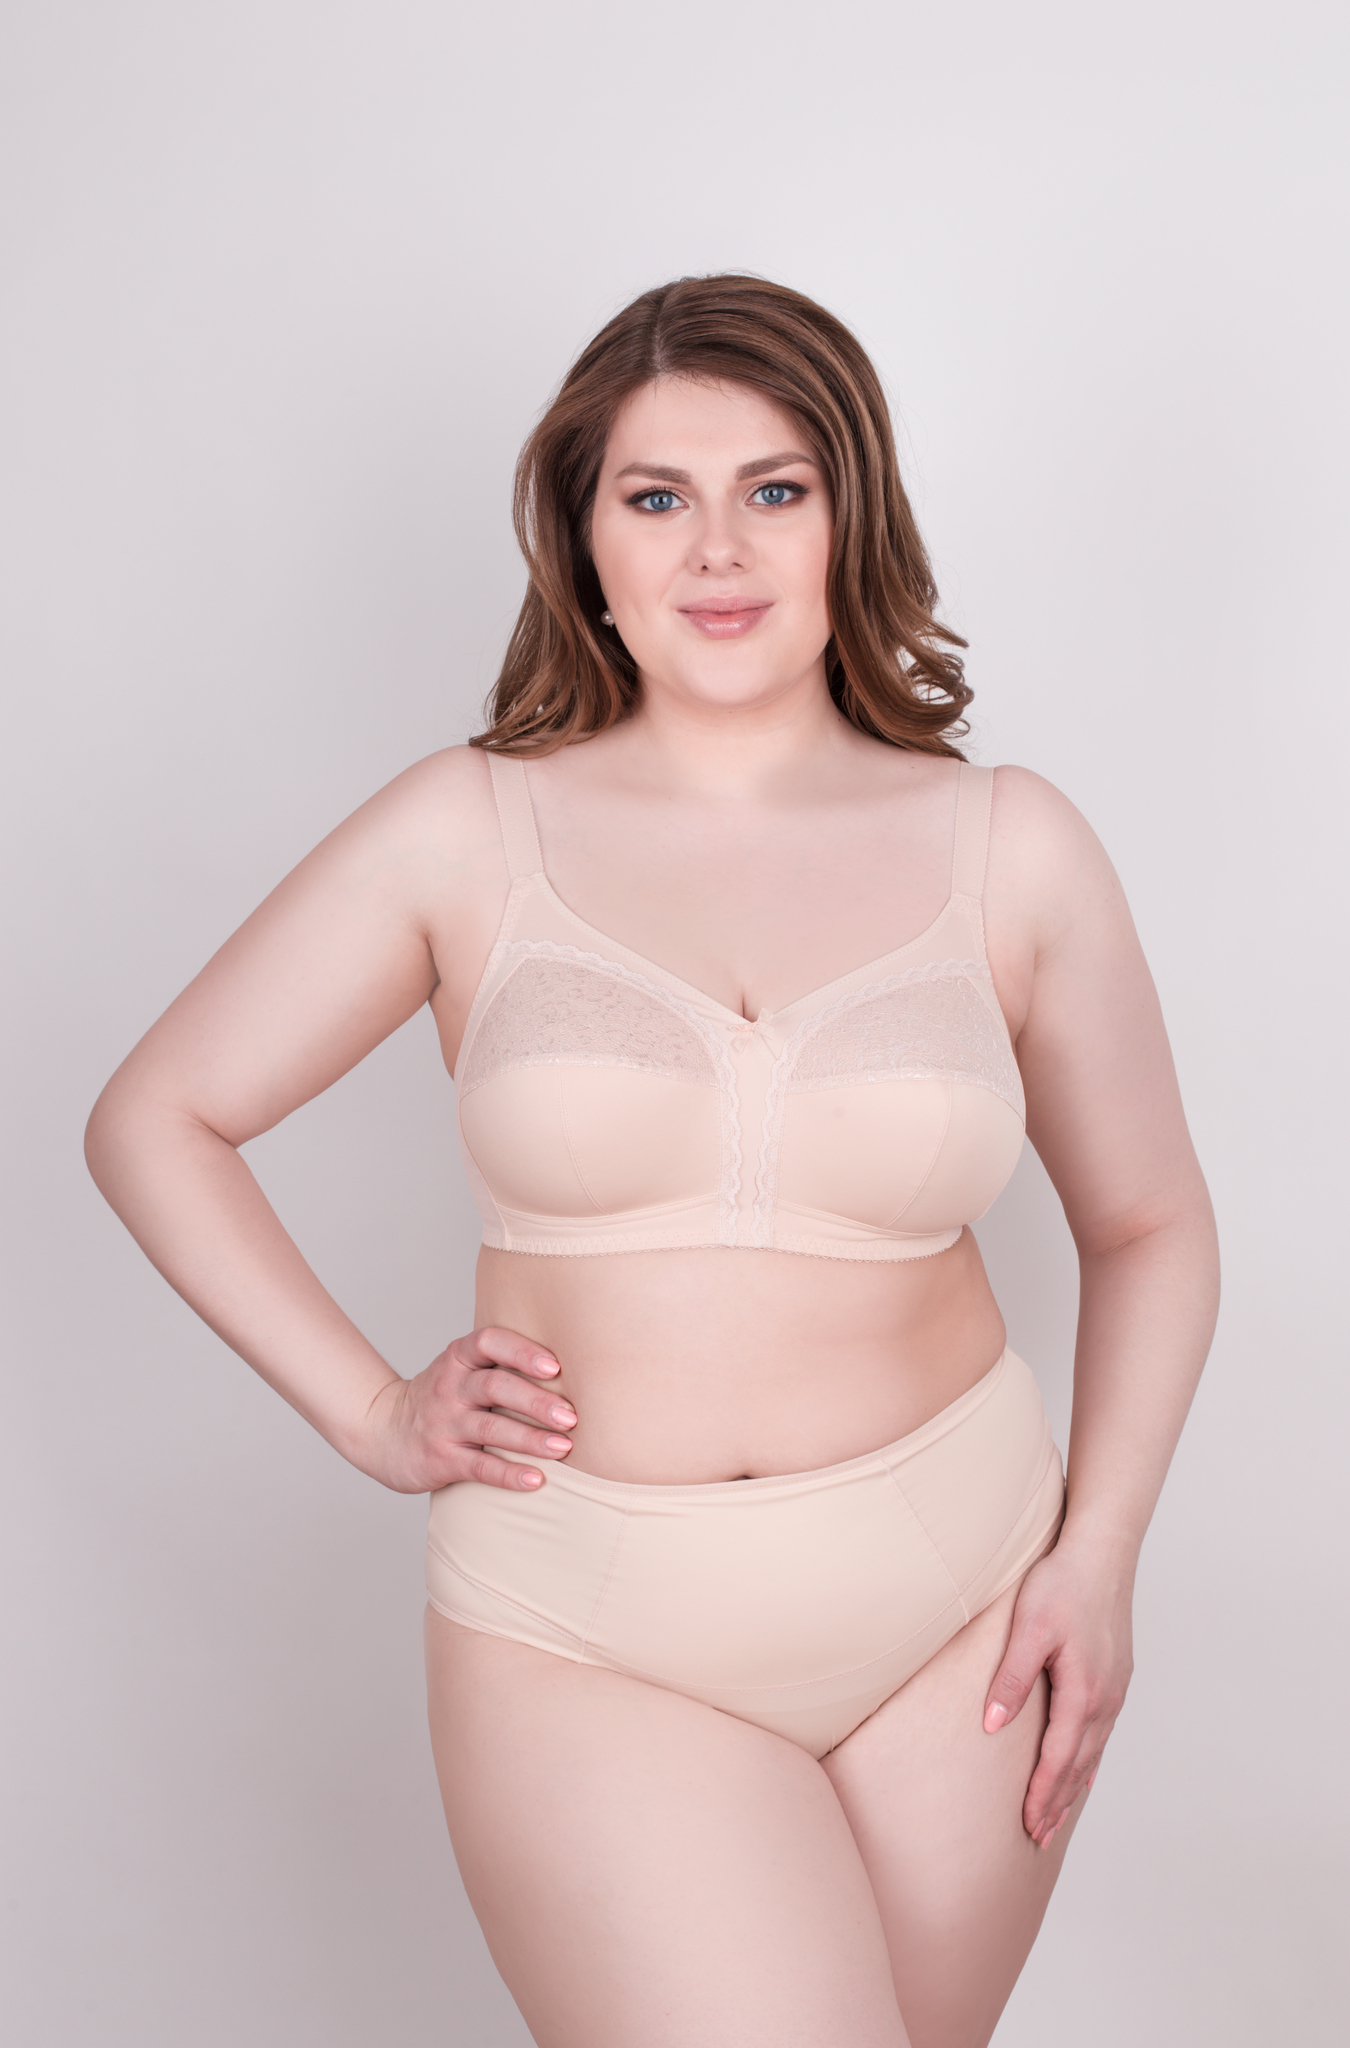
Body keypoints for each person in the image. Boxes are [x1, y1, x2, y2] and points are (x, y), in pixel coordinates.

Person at [86, 274, 1219, 2048]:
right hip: (590, 1631)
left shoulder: (1012, 848)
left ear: (851, 516)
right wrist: (373, 1412)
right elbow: (158, 1116)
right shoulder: (465, 829)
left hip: (967, 1604)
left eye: (775, 488)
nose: (718, 549)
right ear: (584, 539)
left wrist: (1103, 1550)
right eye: (655, 495)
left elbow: (1148, 1223)